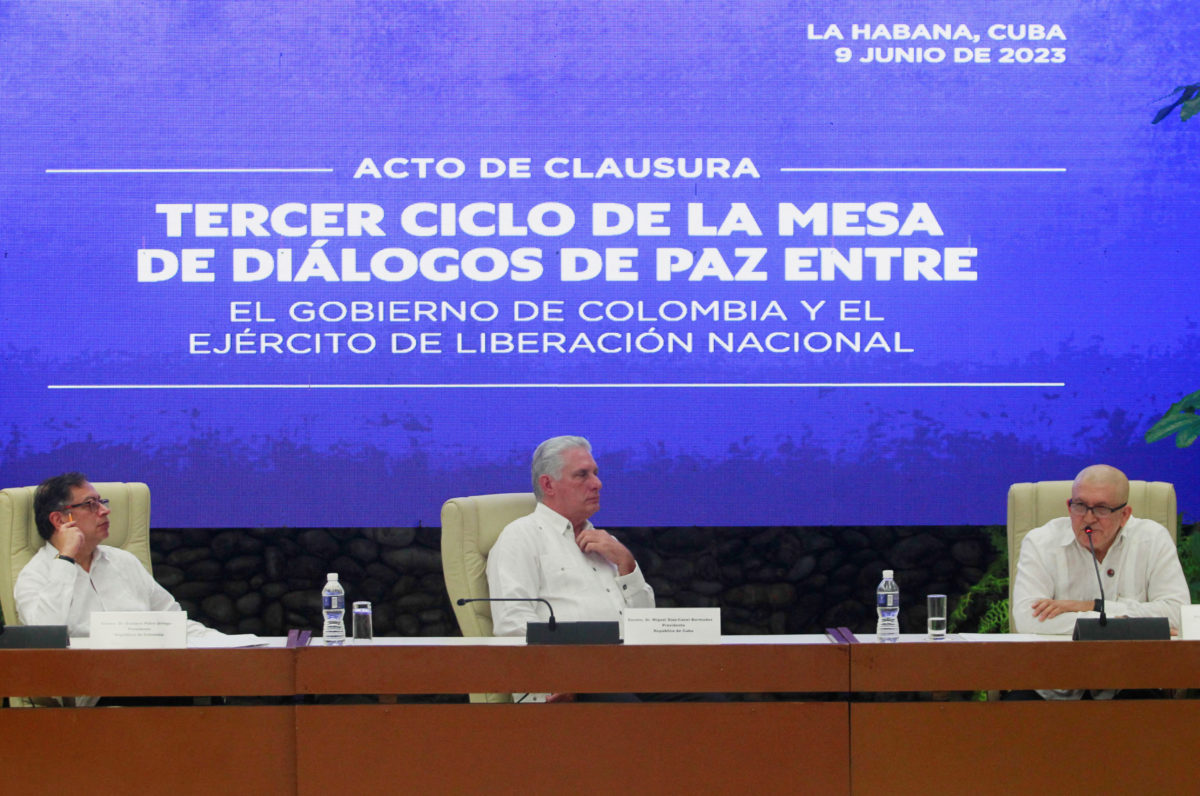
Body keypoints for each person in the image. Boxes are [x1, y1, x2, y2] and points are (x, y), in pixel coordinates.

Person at [486, 436, 655, 702]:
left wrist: (626, 563)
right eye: (582, 475)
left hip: (631, 671)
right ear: (548, 485)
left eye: (596, 473)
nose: (597, 483)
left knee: (707, 699)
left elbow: (649, 627)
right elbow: (513, 625)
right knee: (633, 713)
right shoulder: (520, 537)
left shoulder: (609, 544)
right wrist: (562, 675)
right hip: (568, 681)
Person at [1010, 464, 1189, 699]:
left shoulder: (1152, 539)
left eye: (1101, 509)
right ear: (1069, 506)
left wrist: (1091, 606)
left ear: (1124, 515)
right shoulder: (1041, 542)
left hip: (1131, 682)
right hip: (1052, 683)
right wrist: (1123, 625)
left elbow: (1177, 614)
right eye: (1080, 506)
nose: (1088, 518)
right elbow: (1028, 618)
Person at [15, 472, 223, 642]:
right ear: (60, 520)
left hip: (146, 670)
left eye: (101, 502)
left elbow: (173, 623)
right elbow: (44, 638)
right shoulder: (35, 575)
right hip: (83, 676)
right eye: (90, 504)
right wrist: (66, 558)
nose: (105, 511)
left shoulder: (124, 561)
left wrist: (228, 644)